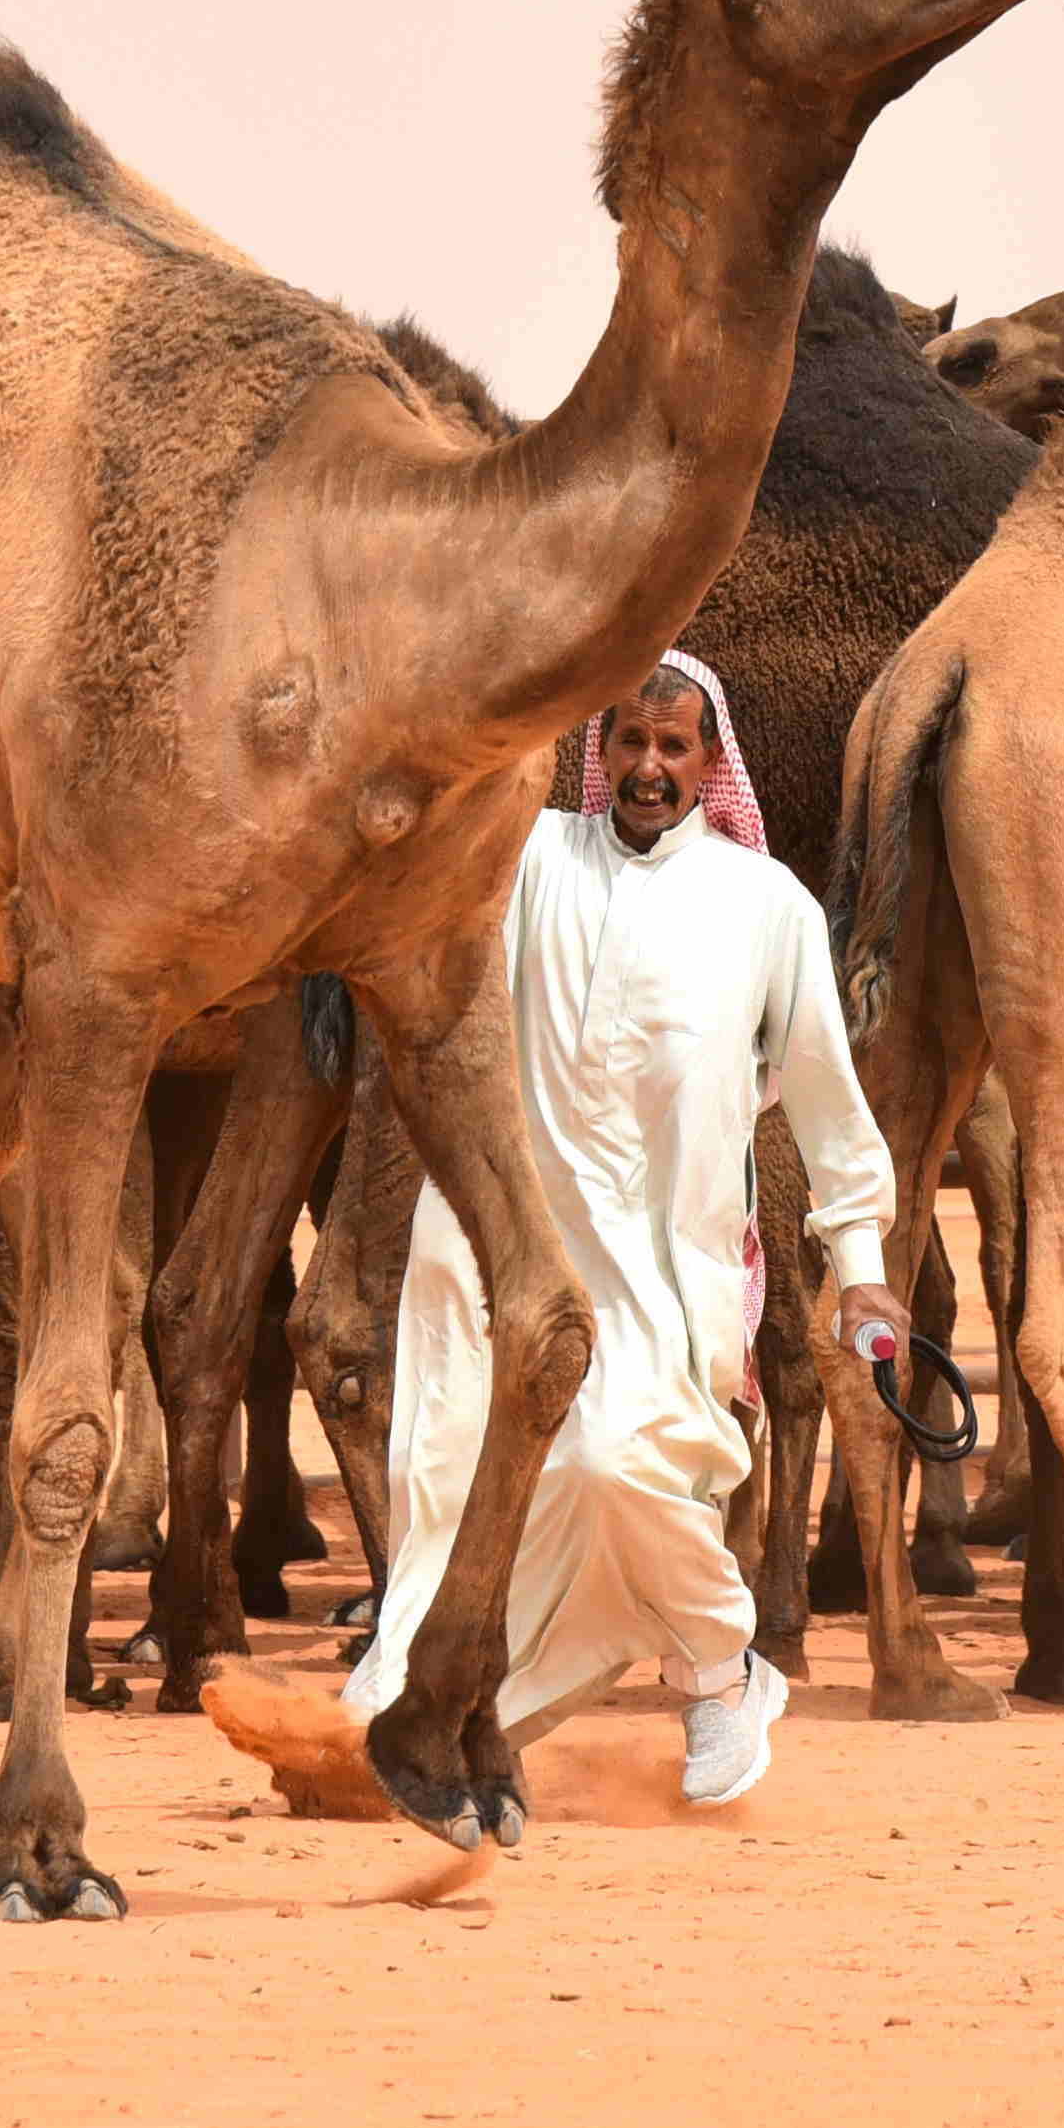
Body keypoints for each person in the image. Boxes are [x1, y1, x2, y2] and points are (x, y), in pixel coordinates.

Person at [339, 649, 906, 1806]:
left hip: (667, 1263)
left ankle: (716, 1671)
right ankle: (441, 1699)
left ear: (710, 761)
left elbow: (827, 1099)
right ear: (598, 752)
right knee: (452, 1480)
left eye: (673, 746)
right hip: (503, 1249)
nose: (650, 768)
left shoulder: (765, 908)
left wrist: (857, 1265)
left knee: (619, 1465)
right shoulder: (532, 861)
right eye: (630, 743)